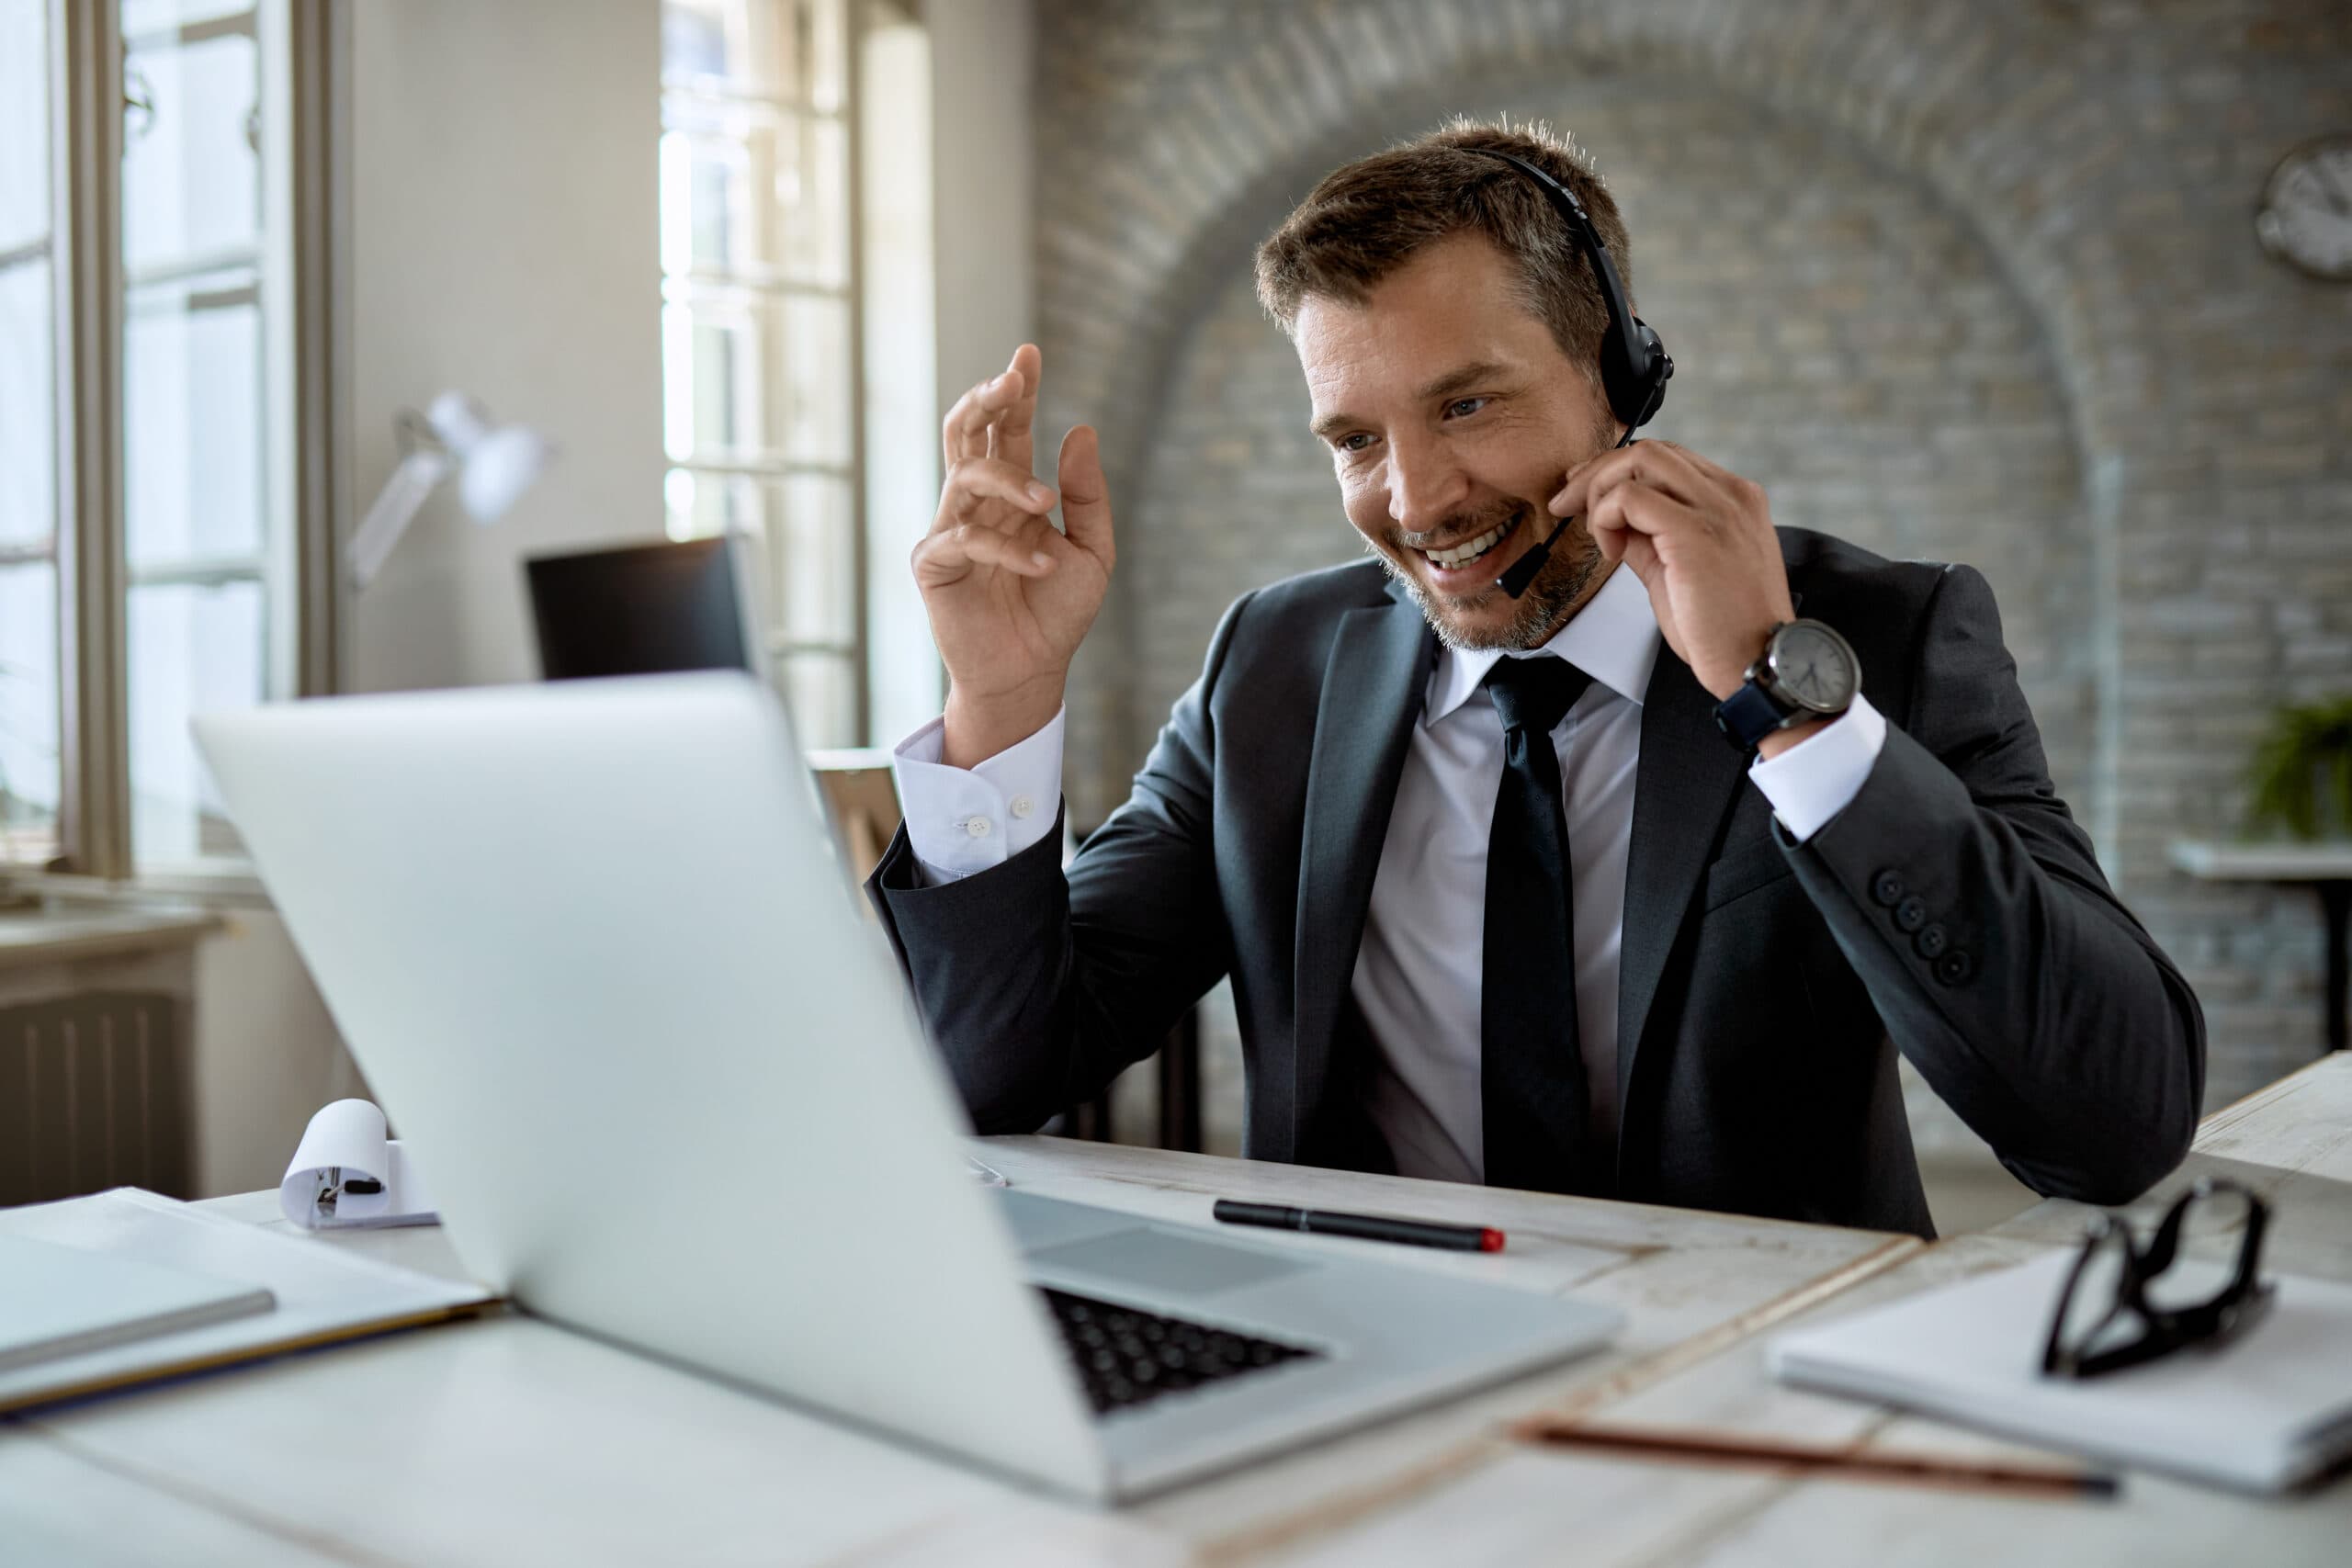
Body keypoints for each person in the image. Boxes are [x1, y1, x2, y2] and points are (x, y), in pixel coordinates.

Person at [865, 118, 2204, 1236]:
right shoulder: (1271, 668)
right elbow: (995, 1075)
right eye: (1353, 437)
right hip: (1363, 1367)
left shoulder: (1870, 638)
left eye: (1466, 405)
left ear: (1622, 377)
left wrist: (1781, 700)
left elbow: (2111, 1124)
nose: (1416, 497)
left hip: (1750, 1387)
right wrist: (1000, 704)